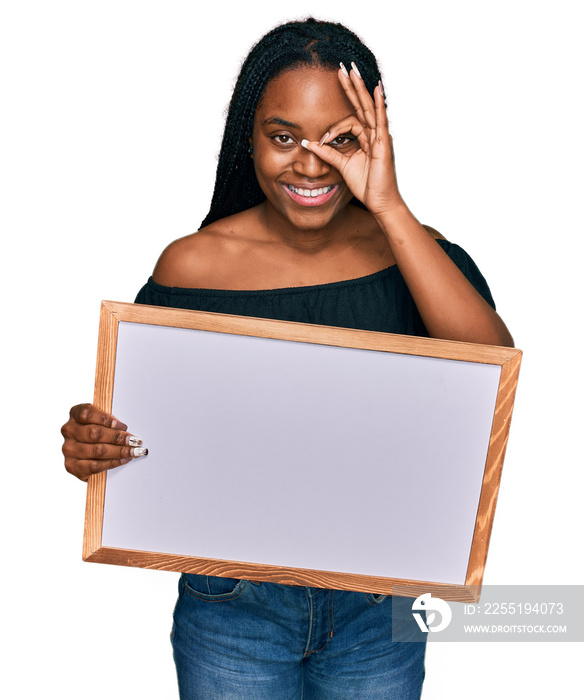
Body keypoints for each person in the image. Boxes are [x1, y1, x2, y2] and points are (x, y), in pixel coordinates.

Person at [61, 18, 513, 699]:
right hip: (233, 604)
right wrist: (94, 447)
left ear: (375, 140)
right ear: (250, 138)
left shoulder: (414, 252)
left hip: (378, 604)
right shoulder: (196, 264)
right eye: (284, 137)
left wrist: (388, 205)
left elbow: (490, 369)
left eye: (341, 140)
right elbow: (144, 430)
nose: (309, 163)